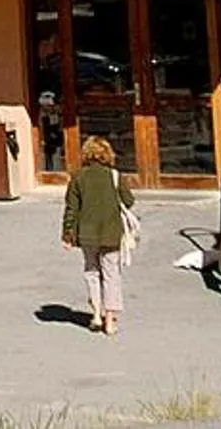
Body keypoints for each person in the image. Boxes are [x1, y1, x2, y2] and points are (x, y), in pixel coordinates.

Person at [63, 134, 134, 335]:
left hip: (87, 234)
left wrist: (68, 233)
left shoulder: (78, 177)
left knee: (91, 272)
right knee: (112, 274)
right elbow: (128, 201)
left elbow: (71, 208)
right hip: (111, 232)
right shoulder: (115, 176)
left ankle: (95, 313)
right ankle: (110, 320)